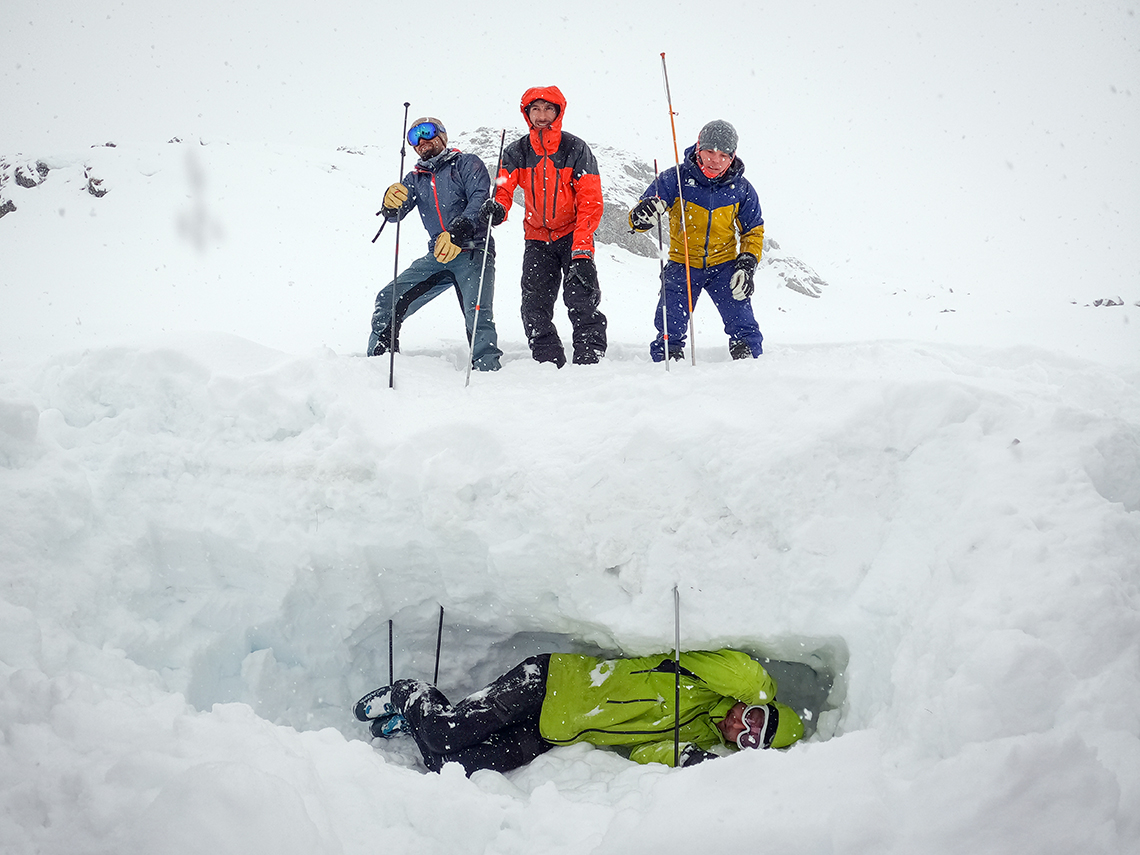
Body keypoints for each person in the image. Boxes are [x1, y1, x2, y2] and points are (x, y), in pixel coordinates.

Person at [353, 648, 804, 775]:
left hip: (555, 731)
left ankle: (414, 721)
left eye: (748, 737)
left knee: (451, 765)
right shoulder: (706, 682)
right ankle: (409, 693)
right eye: (753, 718)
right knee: (446, 735)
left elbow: (643, 753)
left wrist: (685, 757)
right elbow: (741, 670)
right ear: (754, 705)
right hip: (551, 683)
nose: (739, 726)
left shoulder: (703, 739)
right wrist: (760, 690)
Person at [482, 86, 607, 367]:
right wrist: (498, 208)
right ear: (526, 113)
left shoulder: (576, 149)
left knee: (581, 297)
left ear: (558, 112)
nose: (542, 115)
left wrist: (583, 248)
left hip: (573, 235)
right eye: (535, 109)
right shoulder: (516, 152)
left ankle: (590, 356)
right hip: (537, 238)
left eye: (548, 109)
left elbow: (590, 201)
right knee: (534, 304)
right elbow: (503, 188)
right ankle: (547, 360)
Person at [368, 116, 503, 371]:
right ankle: (378, 364)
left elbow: (480, 199)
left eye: (426, 132)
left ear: (442, 135)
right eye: (413, 137)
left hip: (473, 251)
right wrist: (389, 204)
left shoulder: (466, 163)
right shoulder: (414, 179)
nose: (421, 141)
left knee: (478, 314)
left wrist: (458, 231)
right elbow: (396, 213)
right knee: (388, 298)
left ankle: (487, 370)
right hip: (438, 255)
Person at [628, 119, 765, 362]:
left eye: (724, 155)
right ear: (698, 148)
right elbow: (638, 219)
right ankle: (668, 359)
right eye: (710, 151)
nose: (716, 160)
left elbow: (753, 230)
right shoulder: (674, 179)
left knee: (743, 320)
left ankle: (748, 361)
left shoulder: (742, 189)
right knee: (670, 323)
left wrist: (746, 264)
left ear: (732, 157)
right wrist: (642, 216)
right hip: (682, 264)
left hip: (724, 265)